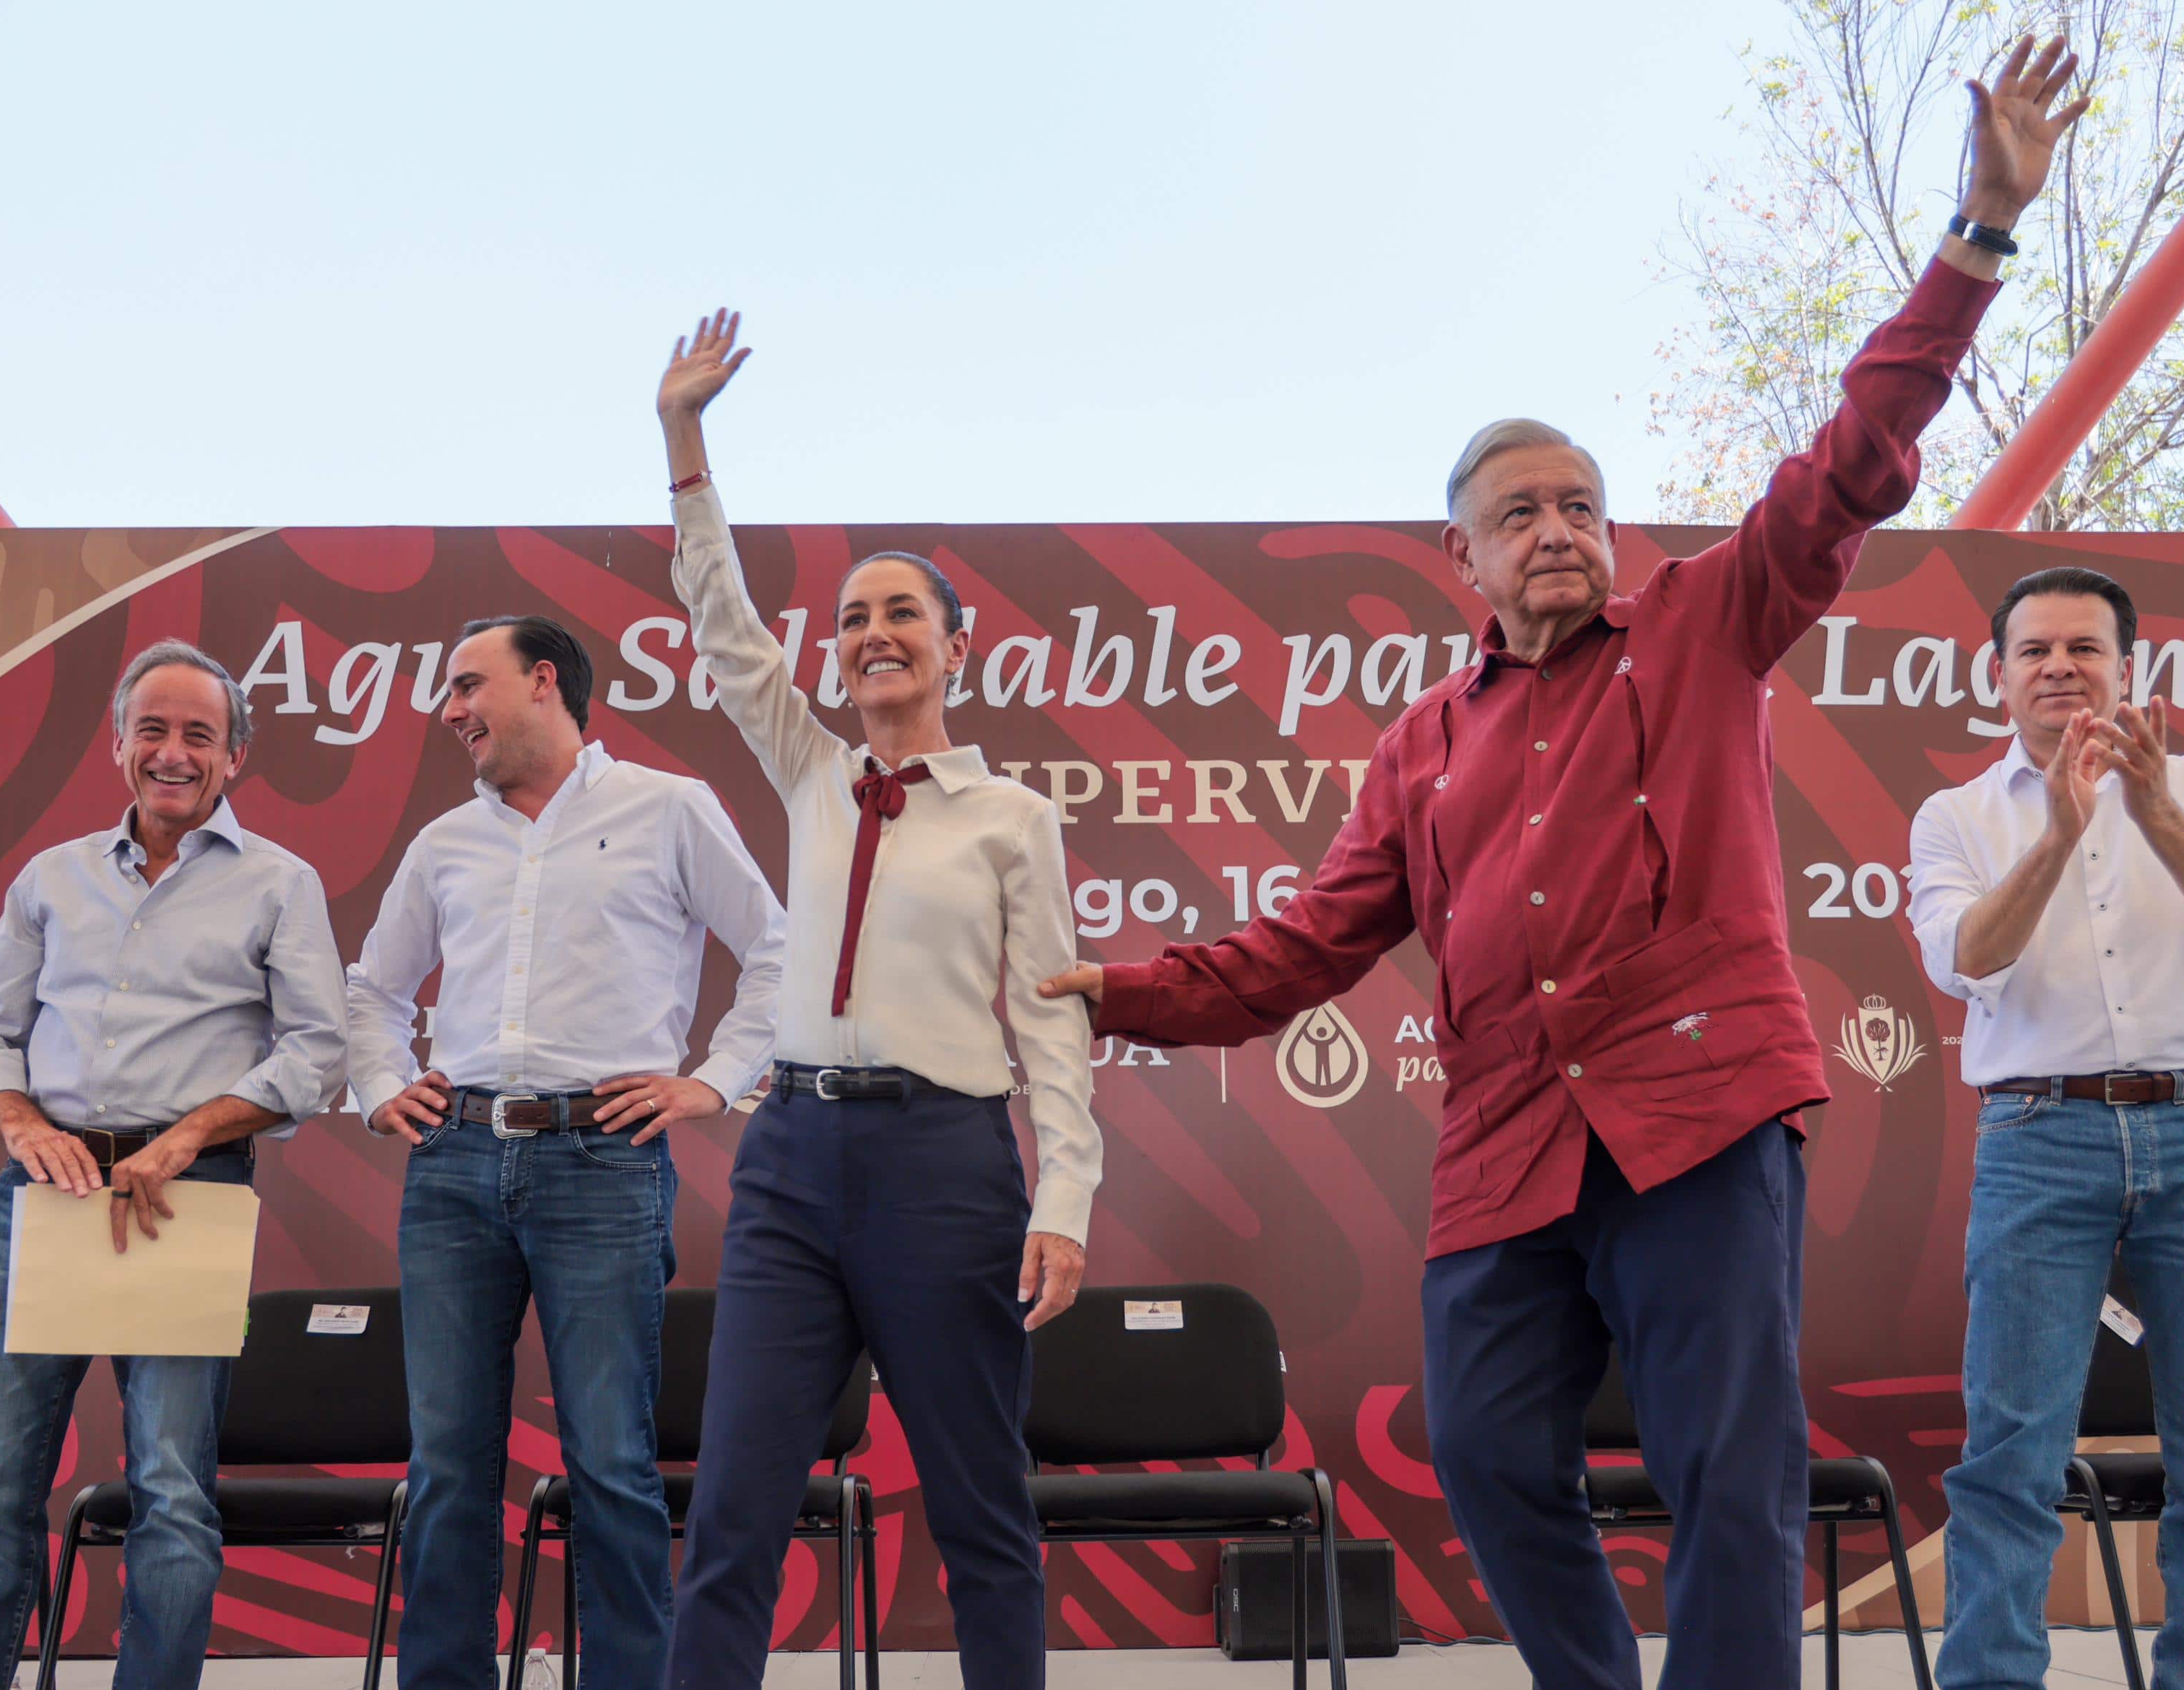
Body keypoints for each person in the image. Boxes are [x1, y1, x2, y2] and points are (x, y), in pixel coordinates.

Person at [1034, 40, 2087, 1689]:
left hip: (1698, 1118)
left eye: (1582, 504)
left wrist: (1975, 240)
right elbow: (1303, 950)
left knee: (1728, 1473)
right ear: (1458, 554)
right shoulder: (1421, 749)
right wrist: (1118, 993)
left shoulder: (1701, 625)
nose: (1561, 530)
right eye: (1521, 512)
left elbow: (1850, 467)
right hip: (1510, 1143)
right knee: (1485, 1458)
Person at [655, 315, 1100, 1690]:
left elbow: (1051, 1025)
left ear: (956, 647)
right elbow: (725, 628)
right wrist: (686, 438)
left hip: (945, 1167)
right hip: (793, 1164)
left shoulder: (1011, 817)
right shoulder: (808, 770)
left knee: (981, 1511)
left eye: (901, 612)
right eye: (851, 620)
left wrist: (1064, 1198)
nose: (871, 634)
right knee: (732, 1512)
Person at [344, 614, 784, 1690]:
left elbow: (779, 949)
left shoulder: (669, 809)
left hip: (605, 1162)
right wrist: (380, 1087)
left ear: (545, 682)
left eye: (465, 685)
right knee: (448, 1465)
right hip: (452, 1164)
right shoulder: (447, 841)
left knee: (612, 1462)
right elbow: (371, 992)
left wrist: (713, 1081)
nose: (449, 712)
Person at [1903, 567, 2184, 1690]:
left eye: (2085, 648)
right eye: (2035, 651)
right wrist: (2061, 832)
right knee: (2011, 1458)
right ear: (1998, 676)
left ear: (2128, 669)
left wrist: (2152, 806)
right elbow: (1967, 958)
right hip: (2041, 1136)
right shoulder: (1957, 817)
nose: (2060, 669)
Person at [0, 641, 347, 1690]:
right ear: (118, 746)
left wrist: (193, 1132)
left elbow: (318, 1051)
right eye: (151, 729)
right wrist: (18, 1121)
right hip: (42, 1198)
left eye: (199, 733)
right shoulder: (49, 879)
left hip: (186, 1198)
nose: (172, 752)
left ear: (235, 756)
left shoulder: (281, 887)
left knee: (170, 1486)